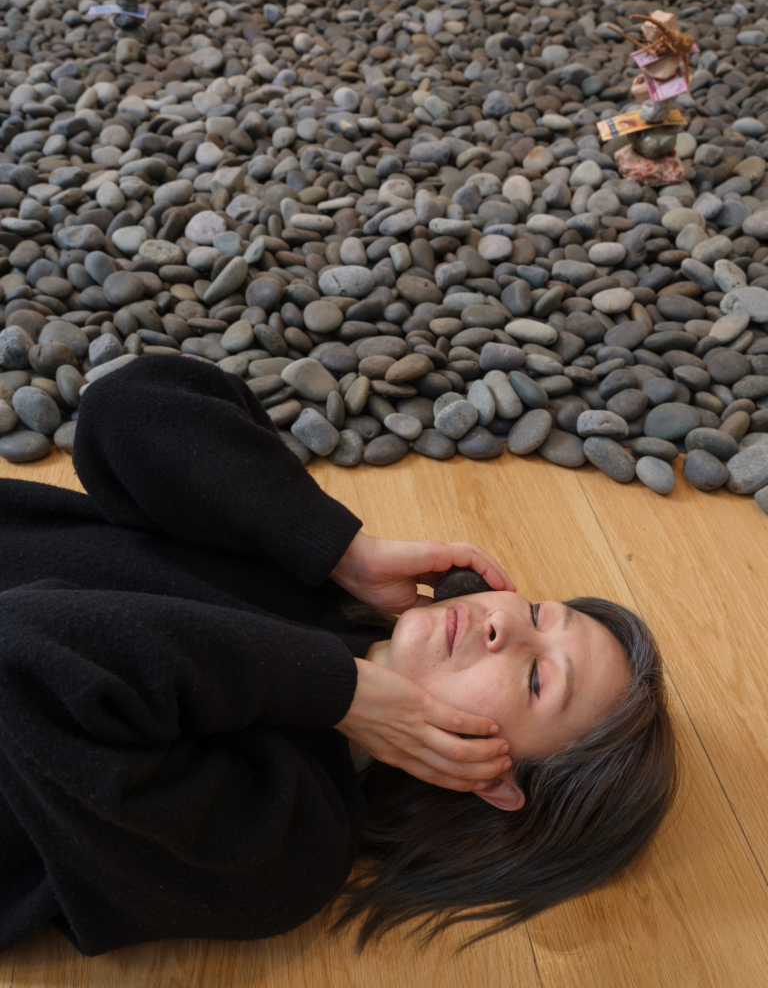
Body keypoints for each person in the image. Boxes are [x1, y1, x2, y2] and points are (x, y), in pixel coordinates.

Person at [0, 355, 678, 959]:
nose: (504, 625)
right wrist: (337, 548)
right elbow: (126, 406)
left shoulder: (287, 850)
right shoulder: (307, 581)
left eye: (536, 678)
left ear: (494, 782)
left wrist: (338, 690)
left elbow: (23, 652)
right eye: (535, 613)